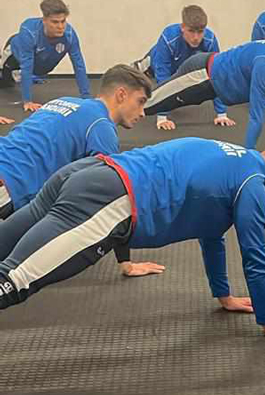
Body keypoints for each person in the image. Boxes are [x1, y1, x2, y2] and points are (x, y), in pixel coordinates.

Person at [0, 135, 265, 337]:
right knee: (16, 279)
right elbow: (255, 255)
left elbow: (211, 235)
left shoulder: (230, 158)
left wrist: (224, 295)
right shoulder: (253, 183)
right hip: (109, 199)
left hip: (86, 171)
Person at [0, 64, 160, 279]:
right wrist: (126, 262)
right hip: (7, 182)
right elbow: (111, 196)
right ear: (121, 95)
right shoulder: (101, 127)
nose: (142, 113)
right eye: (140, 101)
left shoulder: (64, 101)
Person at [143, 40, 265, 149]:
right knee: (150, 103)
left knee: (151, 104)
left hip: (214, 87)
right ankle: (124, 99)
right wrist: (247, 158)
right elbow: (256, 117)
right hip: (202, 75)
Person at [135, 4, 234, 132]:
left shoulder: (210, 41)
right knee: (133, 80)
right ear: (182, 27)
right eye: (191, 31)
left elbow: (216, 76)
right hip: (153, 65)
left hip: (181, 68)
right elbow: (162, 74)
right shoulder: (169, 38)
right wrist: (162, 117)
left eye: (200, 32)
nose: (196, 37)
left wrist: (222, 114)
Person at [0, 0, 91, 110]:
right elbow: (26, 66)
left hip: (38, 64)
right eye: (55, 22)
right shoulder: (30, 32)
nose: (60, 27)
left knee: (34, 72)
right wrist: (28, 101)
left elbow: (79, 65)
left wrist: (86, 97)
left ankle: (17, 76)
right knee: (4, 83)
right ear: (44, 20)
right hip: (15, 55)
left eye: (63, 21)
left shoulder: (69, 35)